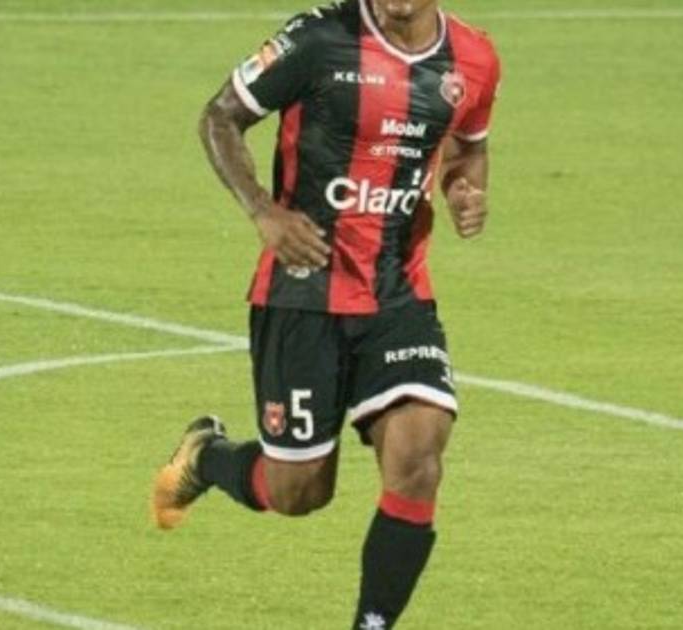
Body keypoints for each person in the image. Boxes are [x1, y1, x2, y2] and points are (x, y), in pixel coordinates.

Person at [153, 0, 499, 627]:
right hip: (303, 293)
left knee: (419, 458)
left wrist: (464, 191)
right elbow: (219, 117)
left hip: (398, 294)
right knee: (300, 491)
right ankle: (206, 457)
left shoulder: (474, 57)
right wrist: (263, 210)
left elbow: (468, 147)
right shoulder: (317, 39)